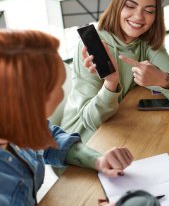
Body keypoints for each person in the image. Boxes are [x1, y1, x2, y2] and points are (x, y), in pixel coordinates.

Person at [0, 30, 134, 205]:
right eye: (58, 86)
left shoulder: (18, 123)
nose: (62, 94)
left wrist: (97, 160)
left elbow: (50, 138)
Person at [60, 0, 169, 142]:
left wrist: (162, 79)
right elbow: (90, 120)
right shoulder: (94, 45)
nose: (139, 17)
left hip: (119, 127)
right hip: (81, 140)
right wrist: (111, 84)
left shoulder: (146, 41)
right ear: (117, 5)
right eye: (130, 6)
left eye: (149, 11)